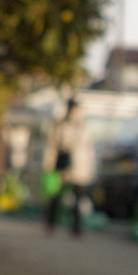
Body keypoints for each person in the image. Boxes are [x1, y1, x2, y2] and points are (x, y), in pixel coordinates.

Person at [43, 98, 95, 236]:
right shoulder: (61, 125)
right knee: (57, 195)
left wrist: (89, 169)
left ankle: (76, 227)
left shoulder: (82, 126)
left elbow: (87, 150)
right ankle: (51, 224)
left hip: (78, 166)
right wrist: (49, 163)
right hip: (62, 162)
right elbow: (53, 145)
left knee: (77, 196)